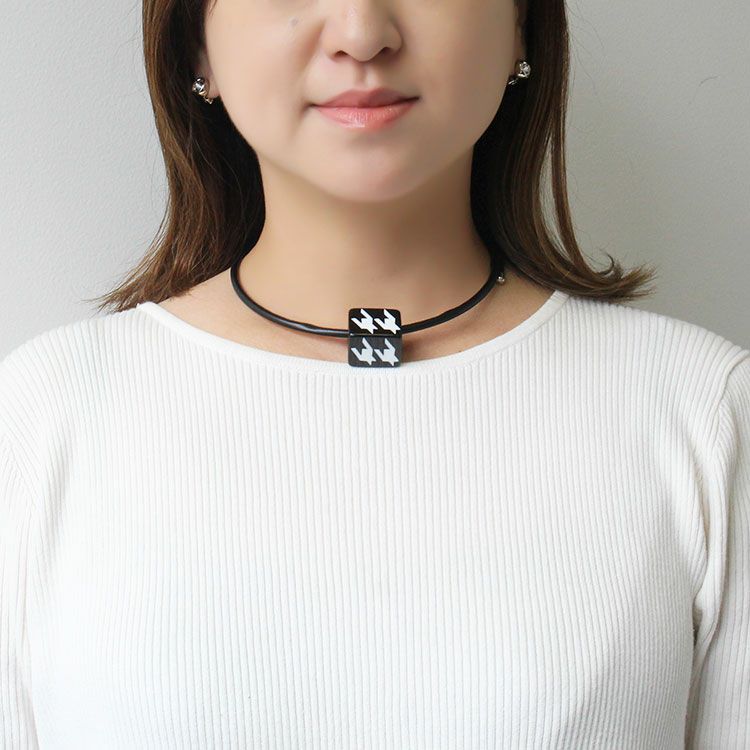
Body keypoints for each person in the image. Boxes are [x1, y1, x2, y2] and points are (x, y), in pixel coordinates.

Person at [1, 0, 748, 747]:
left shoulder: (704, 414)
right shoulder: (42, 416)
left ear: (521, 25)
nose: (361, 36)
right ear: (194, 44)